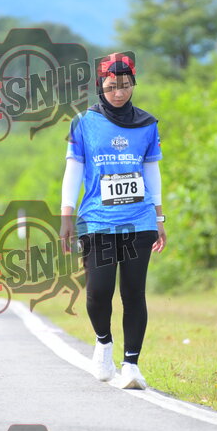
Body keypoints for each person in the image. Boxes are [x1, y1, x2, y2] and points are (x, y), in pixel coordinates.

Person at [60, 53, 166, 390]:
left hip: (139, 219)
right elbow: (73, 170)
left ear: (133, 84)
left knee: (134, 292)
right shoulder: (83, 123)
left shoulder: (147, 123)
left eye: (125, 85)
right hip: (98, 221)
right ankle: (103, 343)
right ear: (100, 86)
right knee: (99, 291)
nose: (118, 92)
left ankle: (131, 365)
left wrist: (159, 216)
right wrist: (66, 215)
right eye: (111, 86)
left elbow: (152, 171)